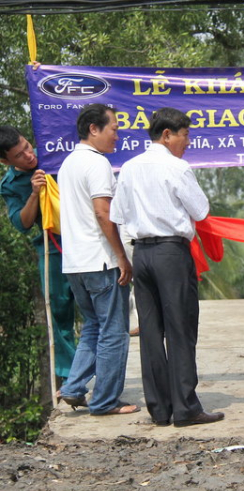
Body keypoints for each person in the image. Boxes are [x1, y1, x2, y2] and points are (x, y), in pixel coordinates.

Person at [110, 107, 223, 427]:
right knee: (180, 330)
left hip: (141, 254)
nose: (187, 142)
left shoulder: (128, 168)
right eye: (185, 135)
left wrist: (125, 256)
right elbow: (201, 210)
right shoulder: (177, 167)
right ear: (167, 135)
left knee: (150, 333)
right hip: (171, 253)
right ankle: (186, 407)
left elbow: (117, 215)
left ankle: (159, 409)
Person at [57, 104, 137, 415]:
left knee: (93, 326)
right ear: (94, 129)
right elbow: (103, 213)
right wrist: (122, 257)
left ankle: (74, 387)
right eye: (114, 129)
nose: (117, 135)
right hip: (101, 262)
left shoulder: (68, 164)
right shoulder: (97, 164)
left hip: (76, 263)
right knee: (115, 332)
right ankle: (104, 401)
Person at [0, 126, 77, 384]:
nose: (29, 155)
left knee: (99, 305)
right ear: (5, 161)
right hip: (52, 247)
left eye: (27, 146)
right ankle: (70, 378)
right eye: (20, 155)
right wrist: (34, 194)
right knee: (59, 310)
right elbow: (21, 223)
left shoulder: (52, 154)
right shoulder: (9, 185)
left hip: (85, 239)